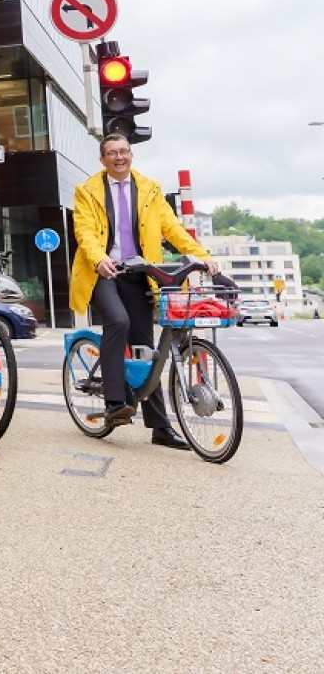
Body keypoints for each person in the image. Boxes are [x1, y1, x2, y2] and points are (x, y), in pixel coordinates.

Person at [69, 133, 218, 449]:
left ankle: (160, 428)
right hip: (102, 273)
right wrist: (99, 259)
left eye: (124, 151)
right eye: (112, 153)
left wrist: (201, 255)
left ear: (131, 155)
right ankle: (113, 404)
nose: (119, 157)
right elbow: (84, 233)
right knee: (118, 322)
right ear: (103, 160)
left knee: (146, 346)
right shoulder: (86, 191)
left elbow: (172, 229)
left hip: (139, 273)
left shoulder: (149, 189)